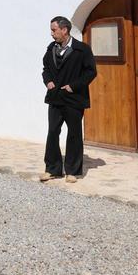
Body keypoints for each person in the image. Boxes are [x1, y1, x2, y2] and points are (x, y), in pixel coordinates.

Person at [40, 16, 98, 182]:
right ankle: (52, 169)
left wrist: (73, 86)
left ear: (64, 30)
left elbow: (90, 72)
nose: (52, 33)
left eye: (54, 30)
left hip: (74, 99)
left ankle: (72, 171)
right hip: (55, 98)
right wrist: (48, 81)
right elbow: (45, 68)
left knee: (74, 134)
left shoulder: (82, 49)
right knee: (52, 133)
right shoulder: (51, 48)